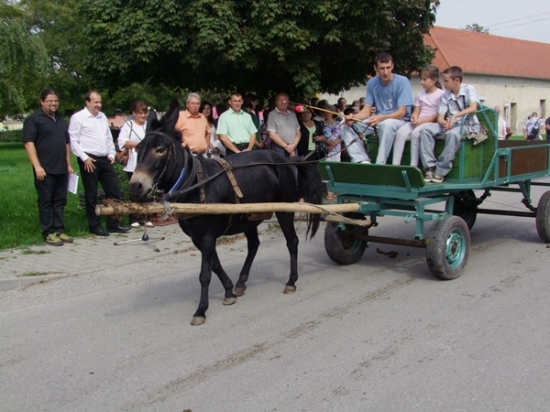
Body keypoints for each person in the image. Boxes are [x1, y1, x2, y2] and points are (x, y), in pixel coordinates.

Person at [69, 91, 130, 236]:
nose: (98, 105)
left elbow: (108, 137)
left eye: (100, 102)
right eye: (95, 102)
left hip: (104, 159)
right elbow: (73, 140)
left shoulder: (102, 116)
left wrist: (111, 153)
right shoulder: (78, 118)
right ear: (87, 102)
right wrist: (84, 158)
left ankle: (113, 223)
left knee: (114, 190)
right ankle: (94, 226)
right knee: (91, 194)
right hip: (89, 159)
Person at [23, 89, 74, 246]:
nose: (53, 103)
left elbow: (66, 143)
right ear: (42, 102)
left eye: (56, 101)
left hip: (61, 168)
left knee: (60, 201)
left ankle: (59, 230)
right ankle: (48, 232)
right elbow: (29, 143)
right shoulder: (33, 119)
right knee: (46, 201)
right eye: (50, 101)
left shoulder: (60, 119)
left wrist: (68, 164)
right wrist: (37, 166)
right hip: (44, 169)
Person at [346, 52, 413, 164]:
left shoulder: (403, 81)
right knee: (345, 124)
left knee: (387, 124)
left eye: (388, 67)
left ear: (392, 66)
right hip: (379, 120)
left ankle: (380, 163)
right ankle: (361, 160)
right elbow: (366, 110)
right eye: (382, 68)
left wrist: (381, 118)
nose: (385, 72)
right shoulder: (372, 83)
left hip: (399, 121)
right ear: (375, 68)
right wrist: (354, 117)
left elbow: (401, 113)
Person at [419, 66, 480, 184]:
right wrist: (443, 122)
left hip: (468, 124)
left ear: (456, 80)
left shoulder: (468, 89)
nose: (444, 84)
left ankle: (441, 170)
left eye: (446, 81)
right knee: (426, 129)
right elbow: (440, 116)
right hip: (452, 124)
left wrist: (455, 116)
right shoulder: (445, 95)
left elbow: (473, 108)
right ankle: (430, 167)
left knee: (452, 134)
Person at [392, 65, 444, 166]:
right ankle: (395, 164)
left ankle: (414, 164)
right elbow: (416, 110)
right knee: (400, 133)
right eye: (421, 79)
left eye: (425, 79)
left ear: (434, 80)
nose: (422, 82)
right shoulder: (420, 94)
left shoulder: (441, 94)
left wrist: (422, 121)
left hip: (431, 123)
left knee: (415, 133)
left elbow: (438, 115)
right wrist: (414, 117)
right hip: (419, 121)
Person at [117, 99, 153, 228]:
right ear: (134, 113)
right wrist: (139, 144)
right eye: (139, 113)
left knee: (147, 191)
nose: (142, 116)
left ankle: (146, 216)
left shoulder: (148, 125)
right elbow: (122, 142)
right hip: (133, 164)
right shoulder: (129, 125)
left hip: (147, 164)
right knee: (134, 192)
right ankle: (133, 218)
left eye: (144, 113)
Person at [267, 92, 301, 157]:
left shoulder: (292, 114)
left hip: (293, 147)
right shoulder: (272, 115)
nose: (282, 102)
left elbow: (298, 132)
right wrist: (286, 147)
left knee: (295, 164)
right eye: (280, 100)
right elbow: (272, 135)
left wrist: (293, 145)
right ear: (276, 102)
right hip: (279, 149)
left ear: (288, 102)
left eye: (285, 100)